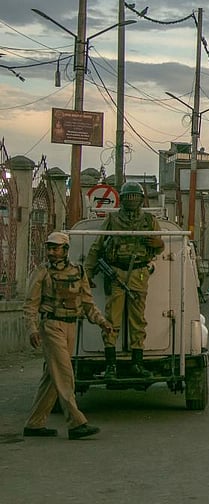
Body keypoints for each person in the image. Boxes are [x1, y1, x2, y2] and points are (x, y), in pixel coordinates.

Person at [23, 231, 114, 440]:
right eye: (50, 248)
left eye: (56, 248)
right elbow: (30, 305)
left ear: (65, 250)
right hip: (51, 326)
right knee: (64, 374)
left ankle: (35, 424)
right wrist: (33, 329)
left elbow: (87, 303)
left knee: (52, 377)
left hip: (71, 326)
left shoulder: (78, 271)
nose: (52, 253)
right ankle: (76, 423)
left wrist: (102, 322)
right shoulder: (41, 273)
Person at [84, 181, 164, 379]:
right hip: (116, 272)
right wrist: (88, 272)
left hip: (139, 273)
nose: (131, 201)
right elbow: (97, 246)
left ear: (140, 200)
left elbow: (159, 246)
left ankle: (137, 362)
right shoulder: (112, 219)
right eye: (128, 197)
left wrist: (158, 243)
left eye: (134, 198)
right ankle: (111, 365)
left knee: (138, 320)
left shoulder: (149, 220)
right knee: (112, 318)